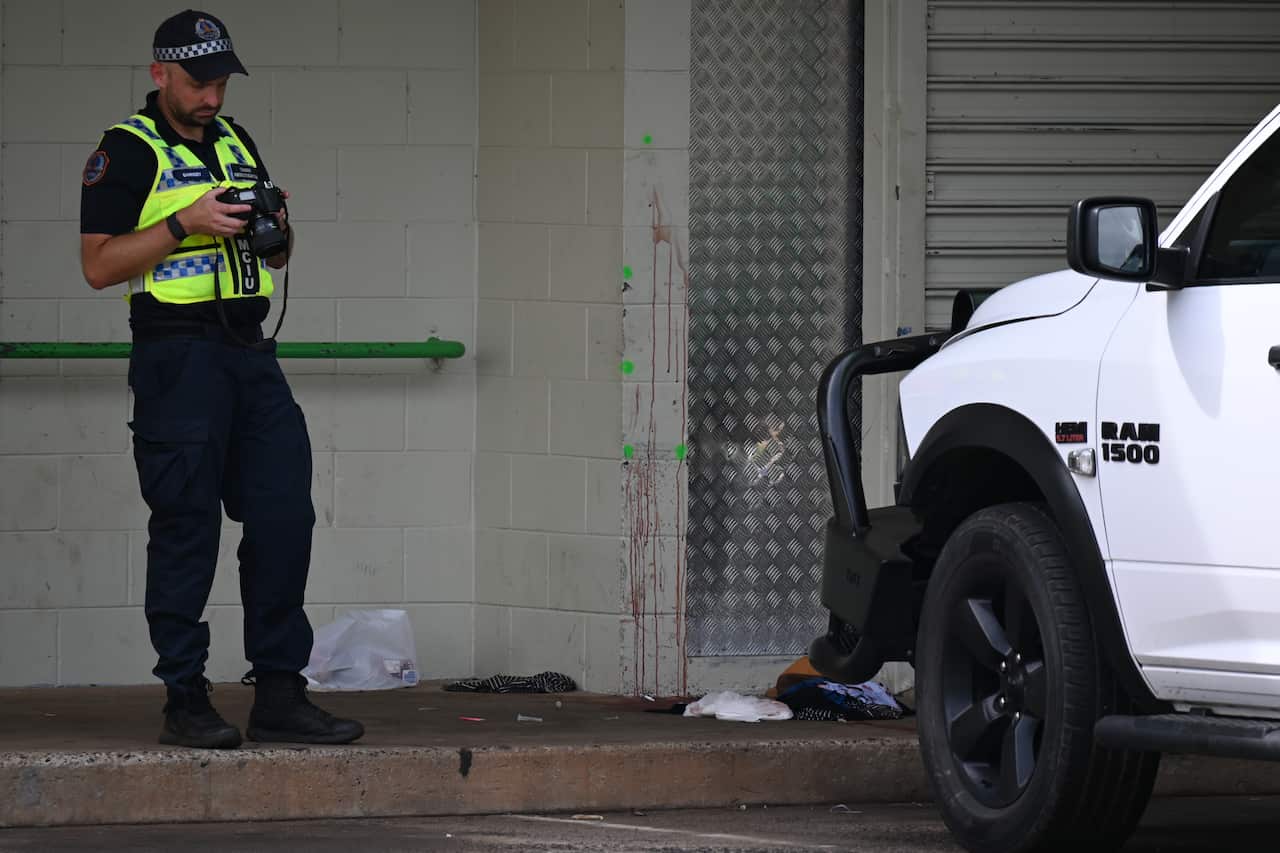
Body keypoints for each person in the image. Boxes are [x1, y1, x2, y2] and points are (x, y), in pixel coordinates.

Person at [79, 9, 363, 749]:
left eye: (221, 82)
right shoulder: (126, 150)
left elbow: (276, 257)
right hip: (178, 357)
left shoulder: (236, 142)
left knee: (282, 517)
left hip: (250, 353)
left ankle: (279, 692)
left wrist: (277, 227)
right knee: (186, 526)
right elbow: (98, 266)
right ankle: (185, 698)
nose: (211, 97)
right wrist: (185, 222)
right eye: (198, 82)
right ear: (160, 74)